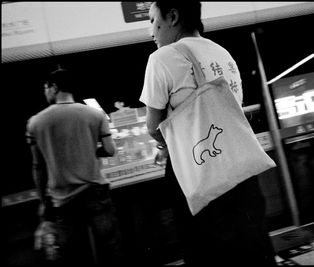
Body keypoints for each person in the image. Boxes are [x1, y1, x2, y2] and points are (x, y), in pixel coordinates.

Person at [139, 2, 277, 266]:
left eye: (152, 20)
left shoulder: (162, 58)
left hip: (199, 173)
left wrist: (165, 146)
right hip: (241, 171)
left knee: (206, 251)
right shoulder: (223, 53)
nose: (150, 31)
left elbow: (153, 127)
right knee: (252, 246)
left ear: (173, 16)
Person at [26, 68, 124, 266]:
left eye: (46, 88)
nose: (45, 92)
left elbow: (38, 168)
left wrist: (43, 203)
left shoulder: (35, 122)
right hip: (96, 194)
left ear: (54, 87)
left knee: (76, 256)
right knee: (110, 250)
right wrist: (90, 151)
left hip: (63, 199)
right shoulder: (95, 114)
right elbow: (110, 150)